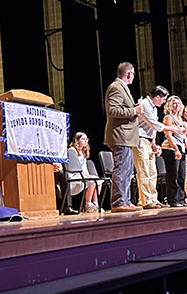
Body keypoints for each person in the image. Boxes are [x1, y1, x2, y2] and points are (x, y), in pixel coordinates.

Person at [103, 62, 142, 212]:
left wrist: (133, 109)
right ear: (129, 74)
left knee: (127, 170)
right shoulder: (116, 87)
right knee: (121, 169)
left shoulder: (121, 88)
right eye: (133, 74)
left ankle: (125, 200)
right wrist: (134, 110)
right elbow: (113, 110)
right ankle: (119, 202)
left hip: (126, 136)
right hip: (120, 135)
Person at [135, 85, 170, 209]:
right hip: (140, 140)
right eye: (163, 99)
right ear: (157, 97)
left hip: (148, 141)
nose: (164, 101)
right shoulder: (144, 104)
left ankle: (153, 199)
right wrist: (174, 129)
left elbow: (151, 128)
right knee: (144, 170)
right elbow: (155, 124)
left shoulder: (154, 107)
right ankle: (145, 200)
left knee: (152, 172)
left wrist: (153, 142)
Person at [161, 95, 187, 208]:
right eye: (174, 103)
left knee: (182, 175)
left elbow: (183, 135)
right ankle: (173, 200)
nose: (176, 105)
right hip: (171, 148)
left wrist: (186, 146)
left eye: (178, 103)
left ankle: (181, 199)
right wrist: (176, 149)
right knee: (173, 175)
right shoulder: (168, 118)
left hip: (180, 147)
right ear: (169, 105)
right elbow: (169, 135)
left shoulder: (179, 119)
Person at [67, 132, 101, 213]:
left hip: (82, 175)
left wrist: (88, 175)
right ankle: (88, 204)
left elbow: (84, 168)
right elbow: (73, 168)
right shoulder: (72, 151)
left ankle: (95, 204)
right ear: (77, 141)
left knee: (98, 181)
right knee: (92, 182)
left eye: (86, 139)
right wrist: (86, 176)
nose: (85, 141)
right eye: (83, 139)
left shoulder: (83, 152)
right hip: (74, 176)